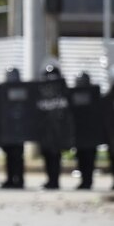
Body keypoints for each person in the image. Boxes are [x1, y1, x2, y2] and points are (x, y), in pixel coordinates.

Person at [36, 62, 74, 190]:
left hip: (57, 131)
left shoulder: (63, 91)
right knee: (47, 155)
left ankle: (55, 181)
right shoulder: (39, 92)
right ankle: (50, 180)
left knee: (55, 156)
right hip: (45, 131)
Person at [68, 71, 104, 190]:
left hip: (90, 134)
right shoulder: (73, 95)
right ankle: (85, 181)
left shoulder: (93, 94)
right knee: (82, 159)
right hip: (80, 134)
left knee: (89, 160)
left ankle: (87, 181)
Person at [0, 66, 27, 189]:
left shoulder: (24, 90)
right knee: (11, 156)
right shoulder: (2, 90)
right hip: (9, 130)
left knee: (17, 157)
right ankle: (12, 179)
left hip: (18, 129)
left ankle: (18, 179)